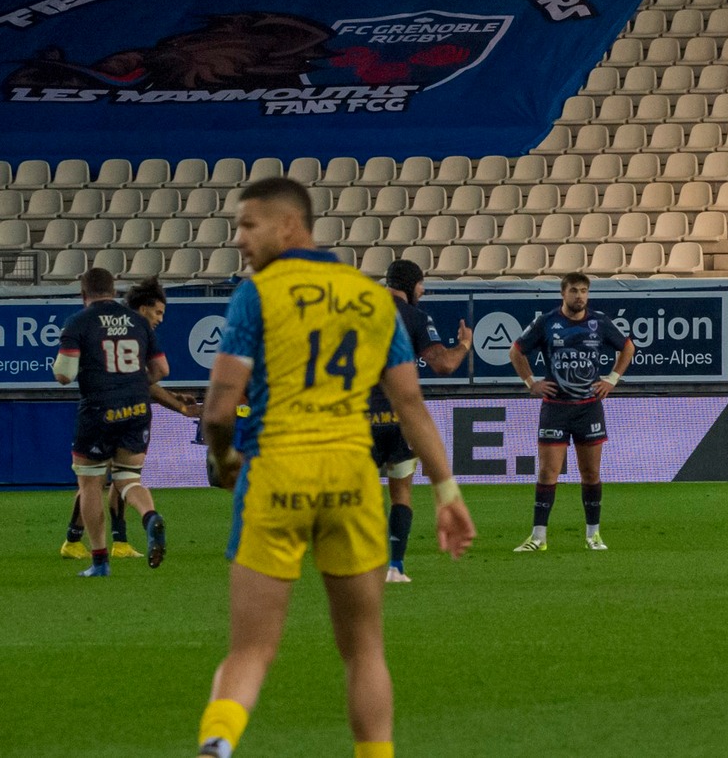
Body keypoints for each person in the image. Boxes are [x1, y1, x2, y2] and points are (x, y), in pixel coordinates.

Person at [193, 176, 475, 758]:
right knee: (365, 649)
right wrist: (448, 493)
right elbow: (412, 406)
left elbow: (220, 409)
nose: (239, 239)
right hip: (351, 478)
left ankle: (217, 744)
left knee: (250, 650)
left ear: (289, 226)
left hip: (276, 473)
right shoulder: (371, 298)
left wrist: (223, 462)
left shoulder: (259, 293)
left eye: (248, 225)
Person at [61, 277, 200, 561]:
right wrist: (176, 404)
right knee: (115, 479)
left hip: (103, 410)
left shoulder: (95, 324)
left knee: (97, 479)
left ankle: (110, 542)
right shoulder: (135, 328)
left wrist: (174, 401)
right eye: (158, 312)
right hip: (128, 411)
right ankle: (83, 539)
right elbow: (150, 378)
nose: (160, 319)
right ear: (142, 307)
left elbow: (140, 381)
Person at [509, 272, 635, 552]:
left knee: (590, 473)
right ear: (563, 294)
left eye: (584, 291)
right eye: (574, 291)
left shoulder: (599, 322)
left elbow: (628, 347)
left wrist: (612, 379)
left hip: (588, 409)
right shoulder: (547, 322)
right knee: (547, 473)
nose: (580, 296)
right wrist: (531, 383)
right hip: (555, 408)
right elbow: (516, 351)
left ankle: (594, 536)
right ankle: (538, 538)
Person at [367, 260, 472, 583]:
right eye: (421, 285)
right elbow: (442, 364)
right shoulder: (414, 317)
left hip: (358, 418)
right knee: (401, 494)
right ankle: (395, 567)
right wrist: (465, 344)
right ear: (411, 284)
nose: (423, 291)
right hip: (399, 419)